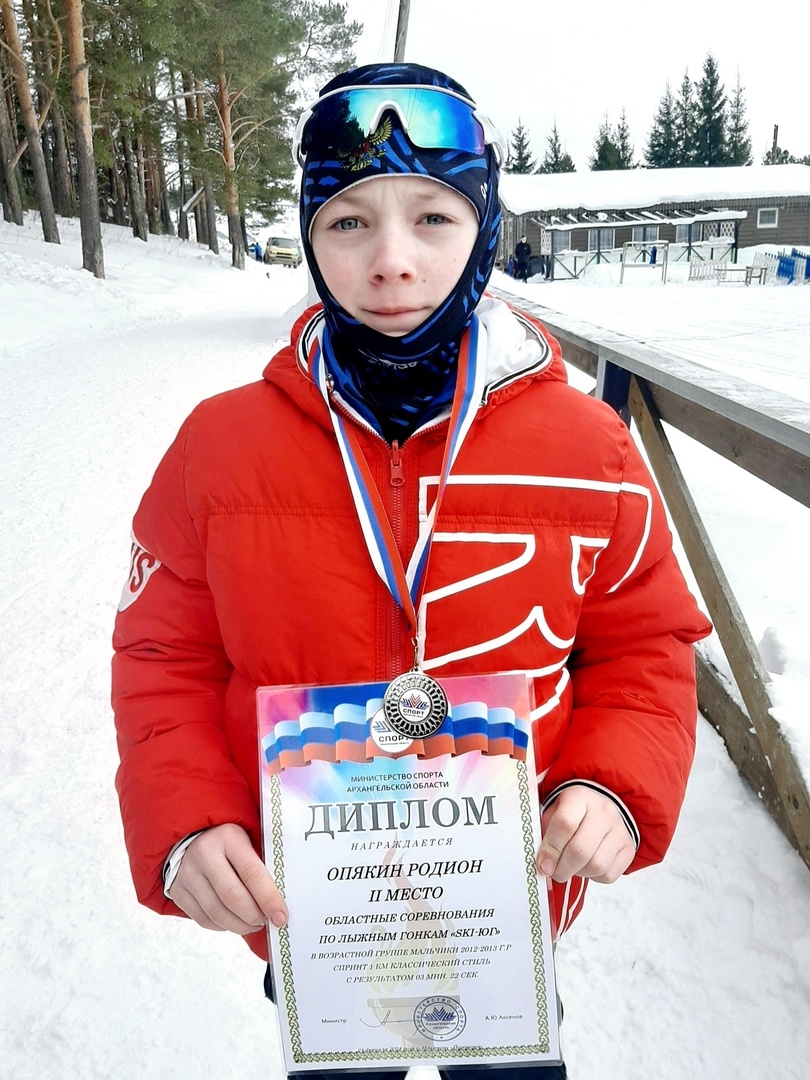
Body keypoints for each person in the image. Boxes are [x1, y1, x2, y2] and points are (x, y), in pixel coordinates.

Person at [112, 61, 711, 1079]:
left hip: (505, 913)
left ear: (485, 228)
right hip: (317, 915)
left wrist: (615, 787)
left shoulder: (588, 446)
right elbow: (161, 652)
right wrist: (186, 819)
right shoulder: (220, 448)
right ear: (307, 235)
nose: (391, 262)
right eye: (348, 222)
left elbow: (646, 645)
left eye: (433, 217)